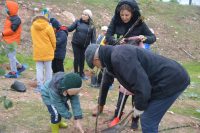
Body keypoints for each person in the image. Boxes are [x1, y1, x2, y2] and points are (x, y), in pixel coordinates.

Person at [85, 44, 190, 133]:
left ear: (97, 59)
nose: (98, 68)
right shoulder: (110, 61)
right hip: (159, 82)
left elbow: (142, 85)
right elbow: (105, 85)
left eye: (95, 65)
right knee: (147, 116)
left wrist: (139, 107)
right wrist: (101, 104)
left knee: (148, 119)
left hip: (171, 80)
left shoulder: (120, 57)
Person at [31, 12, 56, 92]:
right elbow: (53, 40)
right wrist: (53, 48)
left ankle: (40, 86)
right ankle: (48, 86)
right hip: (48, 50)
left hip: (37, 51)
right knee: (48, 69)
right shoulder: (48, 27)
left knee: (39, 69)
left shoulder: (32, 27)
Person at [68, 9, 96, 80]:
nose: (83, 15)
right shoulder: (77, 22)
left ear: (89, 17)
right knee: (77, 58)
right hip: (76, 43)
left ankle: (81, 74)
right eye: (83, 14)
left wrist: (94, 47)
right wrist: (62, 27)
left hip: (85, 46)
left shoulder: (92, 26)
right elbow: (70, 29)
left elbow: (93, 38)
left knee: (82, 59)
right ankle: (75, 73)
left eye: (85, 14)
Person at [0, 0, 26, 78]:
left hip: (12, 41)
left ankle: (14, 72)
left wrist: (2, 34)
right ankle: (20, 67)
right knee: (10, 55)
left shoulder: (16, 19)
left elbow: (12, 30)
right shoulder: (11, 17)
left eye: (7, 7)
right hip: (9, 40)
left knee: (11, 56)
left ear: (11, 9)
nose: (6, 9)